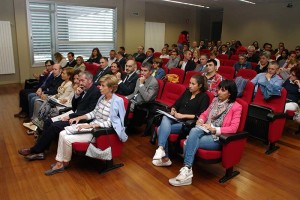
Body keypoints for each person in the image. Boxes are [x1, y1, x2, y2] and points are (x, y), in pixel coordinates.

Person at [44, 74, 127, 175]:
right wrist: (80, 117)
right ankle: (62, 163)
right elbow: (93, 113)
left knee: (67, 138)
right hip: (92, 127)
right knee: (62, 133)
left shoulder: (118, 101)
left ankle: (61, 164)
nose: (99, 87)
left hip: (99, 132)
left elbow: (111, 123)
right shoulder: (102, 98)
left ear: (111, 88)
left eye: (102, 85)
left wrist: (90, 126)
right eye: (100, 85)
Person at [169, 80, 242, 186]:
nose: (219, 92)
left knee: (191, 138)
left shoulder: (236, 107)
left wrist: (215, 129)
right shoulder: (215, 100)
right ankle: (187, 170)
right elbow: (205, 114)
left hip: (218, 137)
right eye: (219, 89)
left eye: (223, 90)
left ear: (230, 93)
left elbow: (234, 128)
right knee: (194, 130)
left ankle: (187, 171)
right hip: (204, 130)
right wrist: (201, 120)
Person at [18, 71, 101, 160]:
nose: (80, 83)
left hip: (82, 120)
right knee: (48, 121)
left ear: (90, 80)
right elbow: (75, 106)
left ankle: (35, 150)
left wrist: (71, 116)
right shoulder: (84, 89)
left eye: (82, 81)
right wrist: (77, 95)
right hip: (74, 114)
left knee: (54, 126)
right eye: (79, 80)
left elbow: (89, 111)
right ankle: (41, 151)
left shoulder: (95, 92)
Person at [152, 75, 210, 167]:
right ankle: (161, 149)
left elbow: (200, 116)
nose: (190, 85)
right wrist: (173, 110)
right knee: (165, 117)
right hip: (176, 119)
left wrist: (183, 115)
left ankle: (164, 157)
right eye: (190, 83)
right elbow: (176, 104)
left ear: (200, 86)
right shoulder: (187, 92)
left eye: (193, 84)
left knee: (160, 129)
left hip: (187, 123)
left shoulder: (204, 97)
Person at [24, 67, 75, 133]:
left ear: (69, 76)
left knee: (43, 103)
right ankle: (35, 123)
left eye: (63, 73)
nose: (61, 74)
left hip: (61, 103)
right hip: (56, 99)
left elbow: (63, 97)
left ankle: (37, 125)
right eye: (62, 73)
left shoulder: (70, 84)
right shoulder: (63, 83)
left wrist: (50, 98)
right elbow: (58, 94)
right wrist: (51, 97)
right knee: (38, 101)